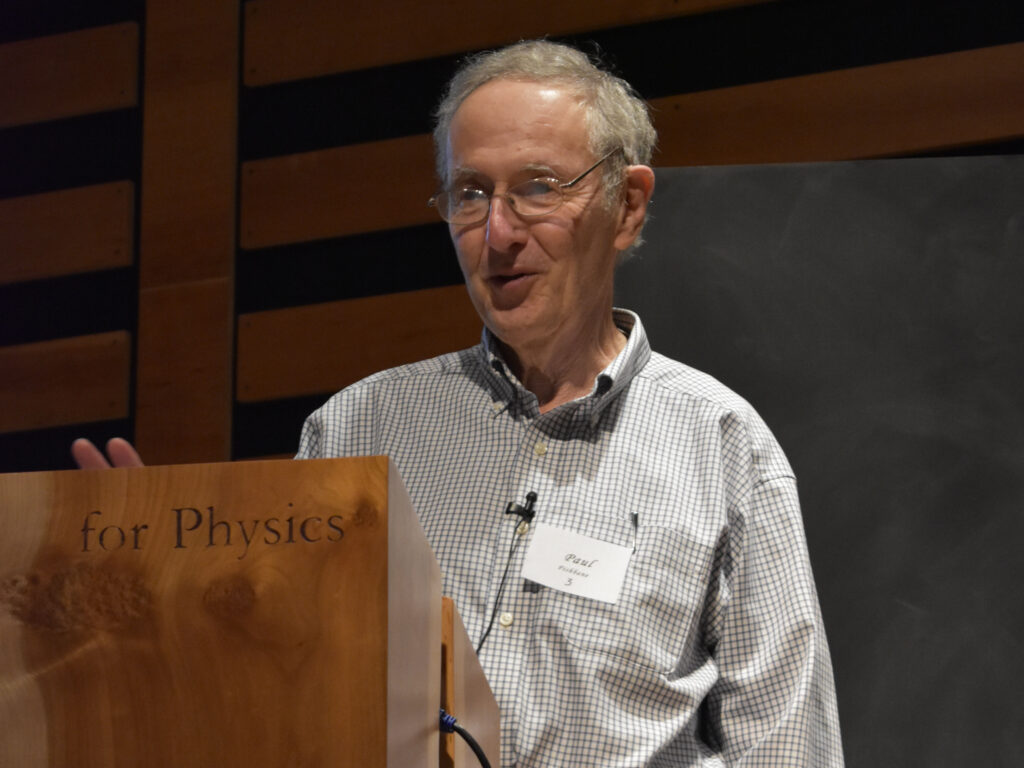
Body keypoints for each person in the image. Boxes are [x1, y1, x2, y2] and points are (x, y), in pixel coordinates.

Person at [77, 40, 843, 767]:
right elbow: (278, 687)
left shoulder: (720, 444)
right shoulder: (357, 432)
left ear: (628, 205)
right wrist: (165, 601)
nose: (498, 233)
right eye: (471, 193)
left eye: (539, 187)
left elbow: (783, 741)